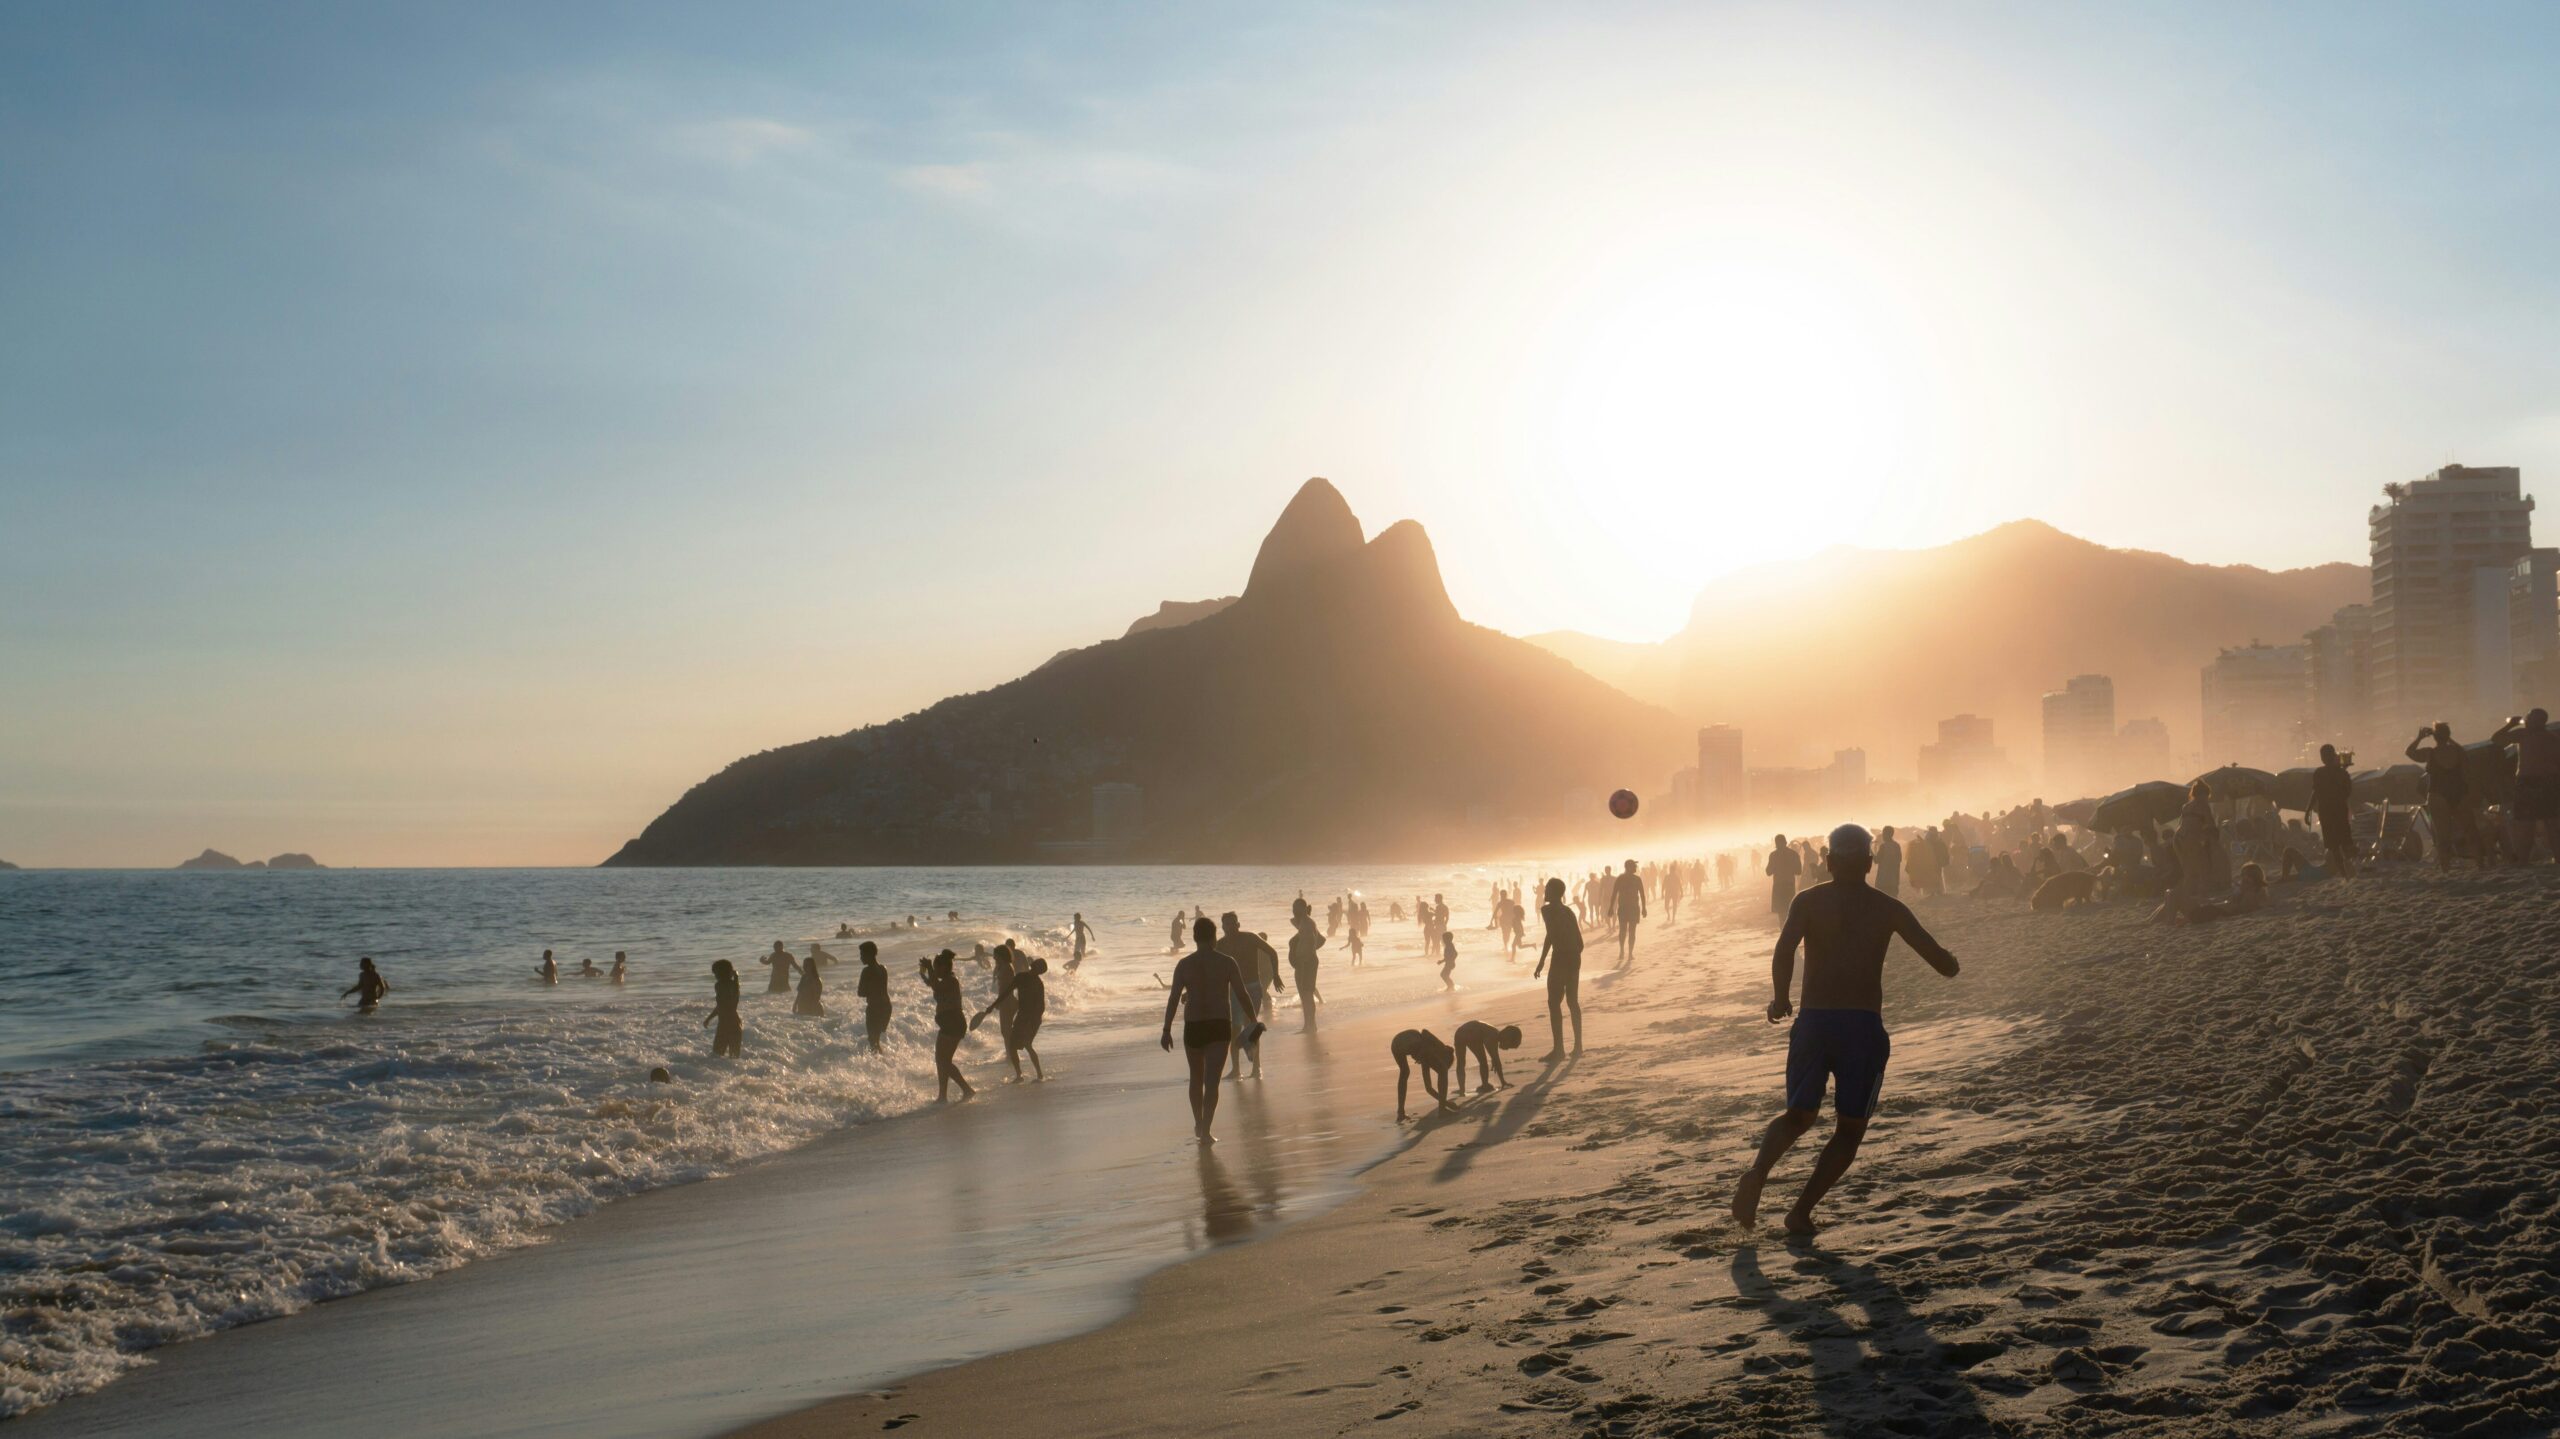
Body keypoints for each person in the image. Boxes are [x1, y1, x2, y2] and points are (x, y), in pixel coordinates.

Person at [1733, 824, 1959, 1239]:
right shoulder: (1888, 907)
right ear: (1871, 864)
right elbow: (1940, 961)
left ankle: (1758, 1172)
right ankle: (1800, 1212)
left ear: (1828, 862)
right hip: (1862, 1028)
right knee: (1850, 1129)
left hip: (1814, 1023)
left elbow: (1784, 949)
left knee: (1798, 1116)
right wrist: (1951, 961)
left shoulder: (1807, 901)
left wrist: (1780, 1000)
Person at [1161, 917, 1258, 1142]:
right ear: (1214, 937)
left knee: (1196, 1078)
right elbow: (1242, 993)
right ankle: (1206, 1130)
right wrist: (1252, 1020)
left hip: (1194, 1026)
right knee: (1212, 1081)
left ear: (1194, 937)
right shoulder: (1227, 962)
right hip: (1218, 1025)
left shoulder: (1184, 965)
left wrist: (1166, 1030)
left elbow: (1174, 998)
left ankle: (1198, 1122)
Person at [2407, 723, 2483, 871]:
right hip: (2459, 793)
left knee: (2443, 835)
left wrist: (2420, 737)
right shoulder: (2458, 751)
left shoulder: (2430, 753)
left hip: (2437, 794)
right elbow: (2466, 758)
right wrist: (2450, 739)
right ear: (2449, 734)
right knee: (2470, 830)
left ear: (2434, 737)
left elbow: (2410, 752)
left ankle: (2445, 868)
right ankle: (2480, 863)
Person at [1217, 914, 1280, 1080]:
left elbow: (1272, 952)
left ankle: (1256, 1068)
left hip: (1253, 987)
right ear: (1222, 927)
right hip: (1234, 989)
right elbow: (1207, 965)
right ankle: (1236, 1070)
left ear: (1238, 924)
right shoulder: (1221, 944)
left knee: (1250, 1026)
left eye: (1232, 924)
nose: (1229, 928)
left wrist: (1276, 975)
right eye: (1226, 925)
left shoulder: (1250, 938)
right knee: (1234, 1029)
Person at [2492, 710, 2560, 863]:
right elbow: (2496, 739)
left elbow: (2496, 739)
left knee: (2532, 823)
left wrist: (2509, 725)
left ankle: (2524, 859)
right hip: (2542, 782)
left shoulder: (2525, 734)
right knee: (2546, 823)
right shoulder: (2550, 738)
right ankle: (2530, 859)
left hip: (2534, 782)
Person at [1532, 877, 1584, 1060]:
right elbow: (1576, 939)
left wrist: (1544, 960)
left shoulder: (1546, 910)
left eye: (1547, 889)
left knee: (1554, 1003)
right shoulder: (1568, 911)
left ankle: (1559, 1050)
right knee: (1572, 1002)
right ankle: (1578, 1047)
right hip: (1574, 955)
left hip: (1561, 957)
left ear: (1553, 892)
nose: (1544, 892)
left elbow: (1552, 934)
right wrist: (1542, 961)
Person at [973, 955, 1047, 1081]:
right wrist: (992, 1006)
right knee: (1013, 1046)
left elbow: (1041, 1006)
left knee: (1027, 1044)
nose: (1036, 970)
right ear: (1033, 966)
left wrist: (1033, 1021)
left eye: (1039, 969)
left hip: (1031, 1018)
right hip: (1023, 1016)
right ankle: (1020, 1075)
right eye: (1036, 967)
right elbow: (1006, 993)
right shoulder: (1022, 978)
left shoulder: (1037, 983)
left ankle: (1039, 1075)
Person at [920, 951, 975, 1103]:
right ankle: (942, 1095)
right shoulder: (944, 980)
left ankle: (967, 1090)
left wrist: (930, 969)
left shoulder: (951, 980)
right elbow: (932, 984)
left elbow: (936, 987)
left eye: (937, 968)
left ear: (944, 967)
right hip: (949, 1023)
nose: (936, 971)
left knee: (944, 1061)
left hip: (954, 1022)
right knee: (941, 1060)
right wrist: (924, 971)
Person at [2311, 744, 2359, 877]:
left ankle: (2345, 872)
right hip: (2338, 811)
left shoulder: (2319, 773)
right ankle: (2348, 871)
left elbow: (2316, 793)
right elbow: (2347, 792)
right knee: (2343, 842)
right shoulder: (2341, 772)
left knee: (2335, 846)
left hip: (2327, 812)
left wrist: (2309, 809)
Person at [1390, 1028, 1456, 1122]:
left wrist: (1446, 1103)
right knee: (1443, 1071)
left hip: (1395, 1043)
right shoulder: (1436, 1049)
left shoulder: (1426, 1055)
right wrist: (1444, 1104)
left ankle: (1401, 1113)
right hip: (1412, 1041)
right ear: (1445, 1057)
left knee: (1404, 1072)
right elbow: (1425, 1032)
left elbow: (1429, 1089)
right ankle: (1442, 1111)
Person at [1286, 897, 1325, 1034]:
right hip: (1305, 962)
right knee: (1305, 995)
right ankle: (1308, 1025)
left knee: (1307, 995)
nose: (1294, 911)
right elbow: (1321, 939)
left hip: (1307, 962)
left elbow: (1316, 942)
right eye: (1293, 908)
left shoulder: (1307, 924)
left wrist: (1306, 957)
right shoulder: (1304, 922)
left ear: (1303, 908)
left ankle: (1310, 1026)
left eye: (1296, 908)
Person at [1451, 1019, 1522, 1094]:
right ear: (1506, 1037)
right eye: (1509, 1046)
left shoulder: (1494, 1034)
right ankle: (1483, 1085)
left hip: (1462, 1032)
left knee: (1462, 1063)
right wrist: (1503, 1082)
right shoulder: (1492, 1036)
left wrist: (1494, 1059)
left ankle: (1463, 1089)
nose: (1507, 1049)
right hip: (1469, 1032)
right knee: (1480, 1062)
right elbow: (1496, 1060)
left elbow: (1495, 1058)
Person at [1611, 859, 1647, 968]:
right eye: (1634, 866)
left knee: (1629, 931)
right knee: (1626, 931)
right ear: (1629, 867)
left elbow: (1642, 894)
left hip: (1630, 908)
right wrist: (1610, 907)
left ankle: (1628, 952)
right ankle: (1624, 951)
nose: (1636, 868)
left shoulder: (1634, 879)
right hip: (1626, 908)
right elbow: (1614, 893)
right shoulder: (1622, 879)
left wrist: (1644, 907)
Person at [854, 941, 890, 1051]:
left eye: (862, 955)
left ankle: (881, 1064)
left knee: (873, 1041)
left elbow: (861, 993)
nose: (861, 958)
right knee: (876, 1040)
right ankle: (883, 1063)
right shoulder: (883, 968)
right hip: (886, 1006)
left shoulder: (867, 971)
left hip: (875, 1008)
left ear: (869, 954)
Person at [703, 959, 743, 1057]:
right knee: (734, 1058)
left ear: (721, 973)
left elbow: (722, 1006)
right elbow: (725, 1005)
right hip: (734, 1023)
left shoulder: (720, 985)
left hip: (725, 1025)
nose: (715, 976)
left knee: (716, 1056)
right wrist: (736, 976)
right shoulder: (733, 985)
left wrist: (709, 1018)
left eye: (716, 973)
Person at [1766, 836, 1802, 918]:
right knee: (1790, 911)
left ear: (1776, 844)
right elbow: (1799, 871)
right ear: (1785, 842)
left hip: (1778, 886)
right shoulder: (1794, 854)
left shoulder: (1773, 855)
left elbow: (1768, 872)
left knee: (1781, 913)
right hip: (1790, 885)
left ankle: (1783, 930)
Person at [792, 945, 827, 1016]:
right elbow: (799, 992)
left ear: (812, 966)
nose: (805, 967)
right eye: (804, 965)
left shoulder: (816, 979)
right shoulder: (804, 977)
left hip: (813, 1009)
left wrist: (813, 1008)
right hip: (802, 1008)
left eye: (807, 965)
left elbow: (817, 996)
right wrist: (795, 1004)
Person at [1875, 826, 1902, 898]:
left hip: (1883, 879)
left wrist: (1871, 851)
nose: (1882, 836)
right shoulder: (1897, 846)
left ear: (1887, 834)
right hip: (1894, 879)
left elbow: (1876, 860)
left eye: (1883, 834)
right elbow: (1899, 859)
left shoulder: (1883, 846)